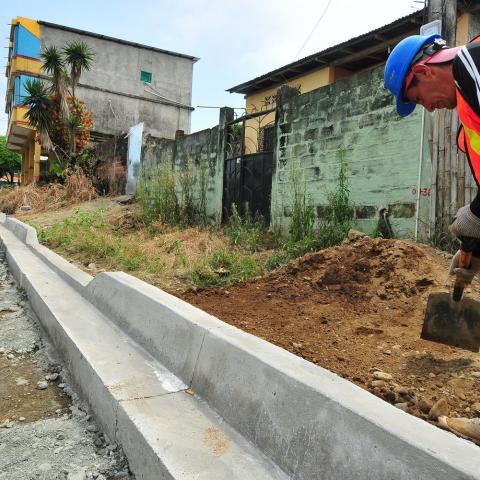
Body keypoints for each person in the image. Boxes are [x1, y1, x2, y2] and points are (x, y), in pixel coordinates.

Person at [384, 33, 480, 283]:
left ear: (423, 72)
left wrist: (477, 212)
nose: (428, 108)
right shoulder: (470, 95)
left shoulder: (473, 62)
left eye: (418, 98)